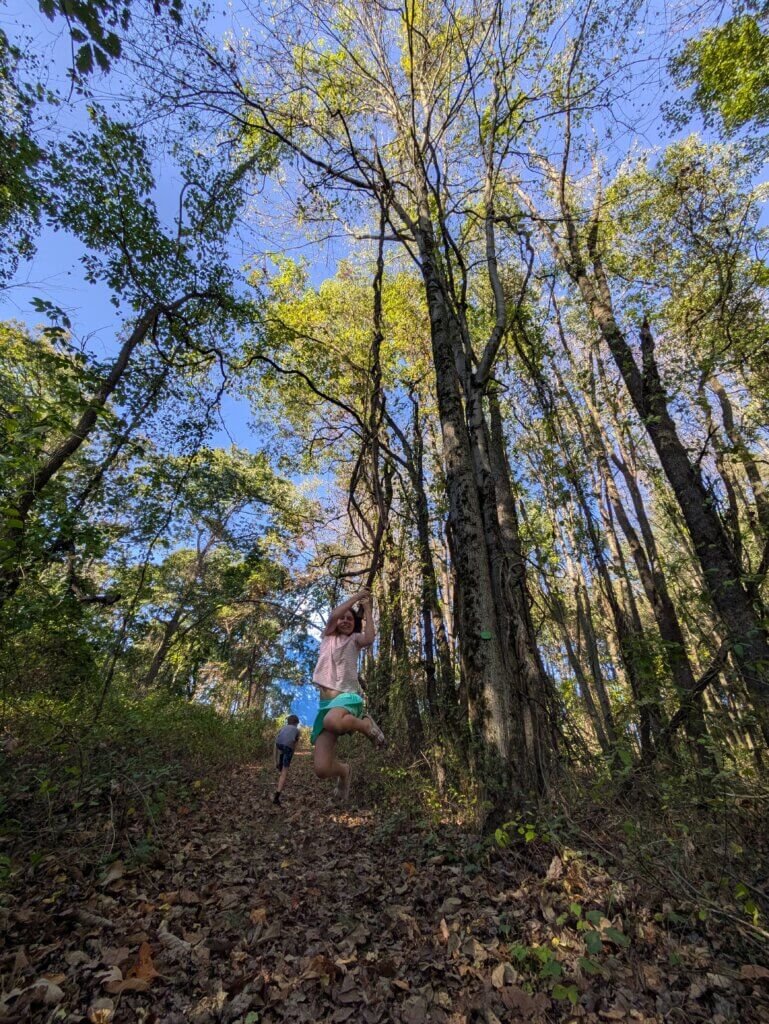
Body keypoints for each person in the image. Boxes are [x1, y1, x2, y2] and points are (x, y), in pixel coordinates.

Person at [311, 587, 385, 801]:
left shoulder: (354, 640)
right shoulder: (328, 637)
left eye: (350, 619)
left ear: (355, 624)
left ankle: (366, 725)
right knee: (321, 769)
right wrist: (356, 597)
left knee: (332, 721)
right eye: (342, 618)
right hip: (325, 706)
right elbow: (334, 615)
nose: (345, 620)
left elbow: (369, 637)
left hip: (347, 697)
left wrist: (367, 607)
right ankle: (344, 771)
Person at [272, 714, 301, 805]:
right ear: (296, 723)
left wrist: (275, 761)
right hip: (288, 747)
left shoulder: (283, 728)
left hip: (279, 745)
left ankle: (279, 763)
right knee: (284, 772)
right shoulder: (297, 730)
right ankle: (276, 797)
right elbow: (294, 746)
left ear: (288, 722)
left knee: (282, 748)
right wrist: (290, 757)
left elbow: (275, 744)